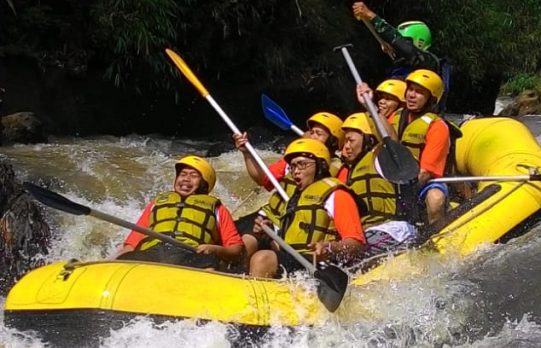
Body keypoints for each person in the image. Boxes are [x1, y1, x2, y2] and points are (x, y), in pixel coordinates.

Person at [245, 137, 368, 279]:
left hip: (323, 266)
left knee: (263, 259)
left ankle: (256, 298)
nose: (296, 171)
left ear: (320, 165)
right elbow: (288, 242)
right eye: (292, 166)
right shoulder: (295, 199)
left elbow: (356, 244)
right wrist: (267, 232)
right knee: (248, 242)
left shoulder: (337, 195)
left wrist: (330, 247)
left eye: (302, 165)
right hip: (295, 261)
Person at [117, 155, 244, 267]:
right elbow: (131, 245)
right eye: (182, 174)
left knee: (209, 265)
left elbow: (236, 250)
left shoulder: (218, 210)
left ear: (204, 184)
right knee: (123, 260)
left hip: (191, 254)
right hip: (153, 251)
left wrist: (215, 250)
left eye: (193, 176)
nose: (186, 179)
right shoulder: (157, 204)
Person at [337, 113, 417, 252]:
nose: (347, 146)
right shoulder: (349, 171)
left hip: (393, 229)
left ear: (368, 139)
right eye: (345, 142)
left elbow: (391, 141)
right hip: (367, 234)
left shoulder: (380, 158)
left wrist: (372, 108)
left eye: (351, 140)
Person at [351, 1, 450, 99]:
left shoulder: (430, 63)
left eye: (404, 40)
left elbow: (407, 49)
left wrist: (372, 17)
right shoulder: (398, 67)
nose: (397, 46)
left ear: (419, 42)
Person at [395, 69, 452, 225]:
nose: (411, 95)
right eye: (410, 90)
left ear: (431, 99)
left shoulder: (437, 126)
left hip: (423, 182)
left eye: (419, 92)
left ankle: (434, 236)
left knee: (435, 198)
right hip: (396, 179)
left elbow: (426, 172)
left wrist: (404, 189)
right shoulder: (397, 116)